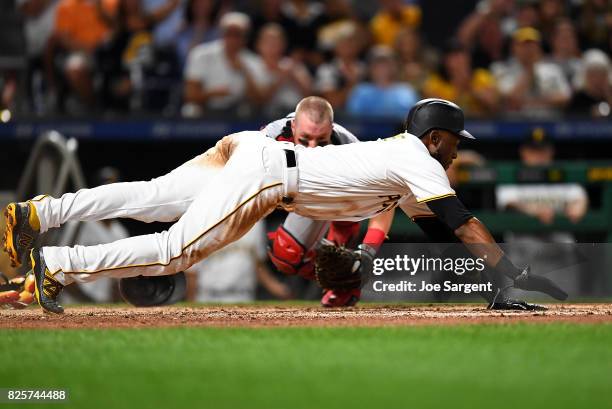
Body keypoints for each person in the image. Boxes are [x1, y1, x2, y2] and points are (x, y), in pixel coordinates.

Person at [3, 98, 568, 314]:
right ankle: (56, 265)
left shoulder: (405, 166)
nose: (454, 154)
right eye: (454, 142)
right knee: (175, 250)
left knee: (149, 198)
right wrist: (508, 274)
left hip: (254, 147)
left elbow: (441, 227)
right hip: (271, 173)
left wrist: (500, 276)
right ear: (438, 137)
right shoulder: (420, 157)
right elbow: (462, 221)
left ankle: (38, 213)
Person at [182, 12, 268, 117]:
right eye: (229, 33)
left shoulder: (253, 61)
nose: (232, 39)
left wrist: (244, 71)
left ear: (246, 36)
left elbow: (260, 100)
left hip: (237, 111)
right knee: (190, 110)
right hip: (205, 107)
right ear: (221, 34)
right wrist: (212, 94)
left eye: (237, 34)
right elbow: (190, 95)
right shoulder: (201, 54)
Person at [491, 27, 571, 118]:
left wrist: (533, 102)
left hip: (548, 122)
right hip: (515, 125)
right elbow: (511, 99)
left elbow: (565, 97)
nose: (529, 49)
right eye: (524, 45)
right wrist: (530, 69)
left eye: (533, 45)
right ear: (514, 48)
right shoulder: (502, 69)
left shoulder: (552, 69)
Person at [255, 24, 312, 118]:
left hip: (295, 113)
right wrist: (280, 78)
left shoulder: (293, 64)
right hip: (266, 115)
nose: (272, 46)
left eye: (276, 41)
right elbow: (260, 101)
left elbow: (310, 96)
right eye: (268, 42)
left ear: (283, 44)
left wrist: (294, 76)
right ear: (259, 44)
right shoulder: (254, 66)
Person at [346, 45, 418, 120]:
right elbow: (353, 118)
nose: (382, 68)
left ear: (395, 67)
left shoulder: (406, 91)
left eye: (386, 64)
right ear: (370, 67)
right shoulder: (360, 91)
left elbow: (413, 119)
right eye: (378, 64)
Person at [568, 49, 612, 118]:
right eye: (593, 75)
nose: (597, 79)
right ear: (586, 76)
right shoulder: (578, 98)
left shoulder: (609, 96)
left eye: (601, 74)